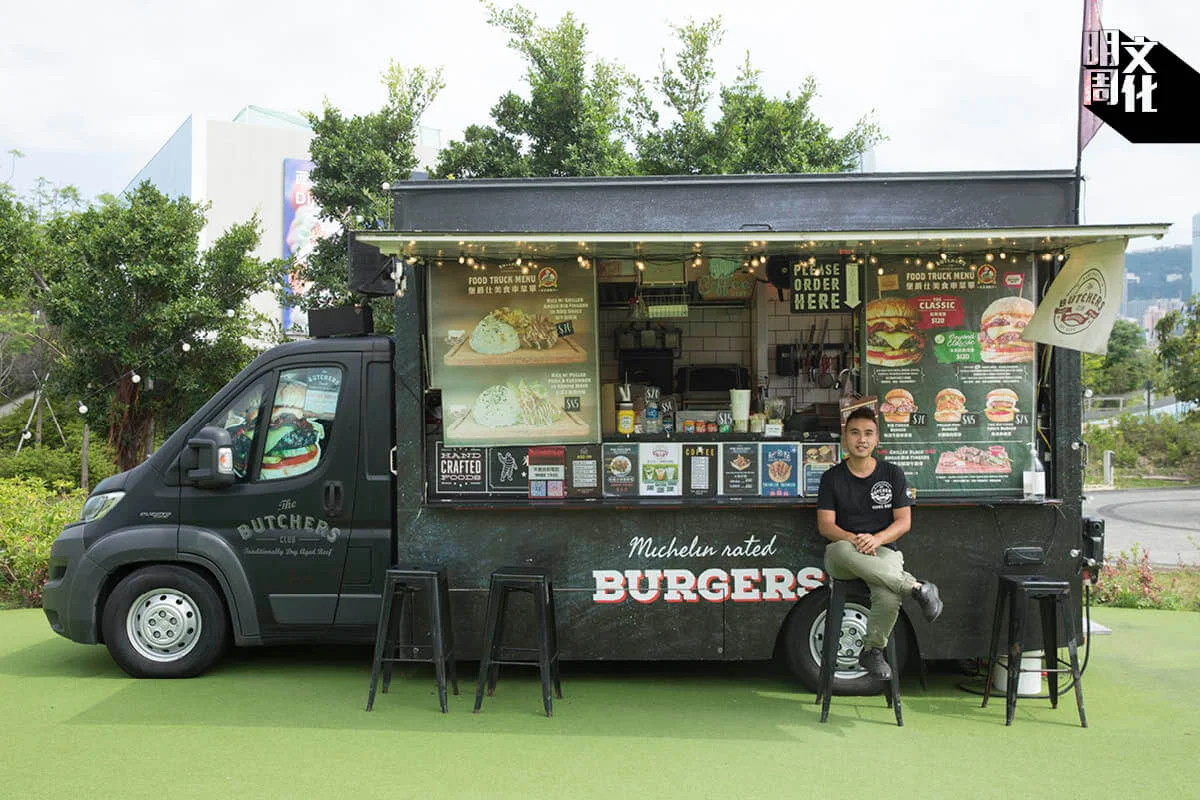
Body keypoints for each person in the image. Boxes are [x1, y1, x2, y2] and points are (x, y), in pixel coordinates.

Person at [816, 405, 944, 680]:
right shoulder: (831, 478)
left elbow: (903, 522)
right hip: (843, 554)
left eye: (868, 433)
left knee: (888, 593)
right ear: (845, 437)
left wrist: (876, 539)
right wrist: (855, 539)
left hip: (884, 550)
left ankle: (873, 651)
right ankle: (917, 587)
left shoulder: (892, 474)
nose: (861, 439)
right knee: (840, 549)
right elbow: (826, 526)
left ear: (877, 439)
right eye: (855, 433)